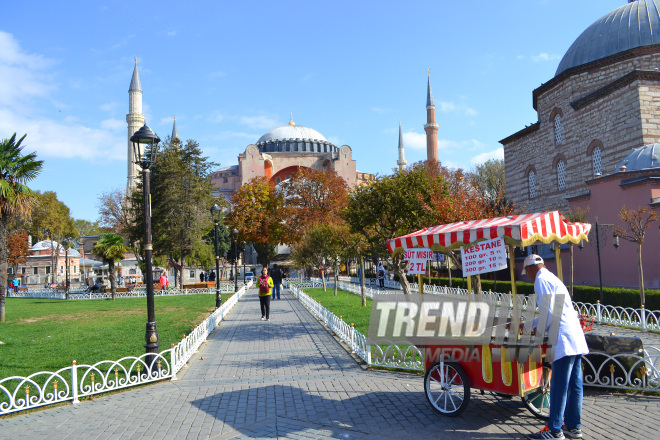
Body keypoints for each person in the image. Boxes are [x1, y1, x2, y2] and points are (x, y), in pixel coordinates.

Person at [524, 254, 589, 440]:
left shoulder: (540, 280)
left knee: (559, 385)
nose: (528, 276)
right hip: (574, 335)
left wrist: (535, 332)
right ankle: (573, 427)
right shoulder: (552, 278)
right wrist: (529, 324)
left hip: (563, 338)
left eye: (527, 273)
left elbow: (548, 313)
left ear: (530, 269)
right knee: (575, 385)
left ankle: (554, 430)